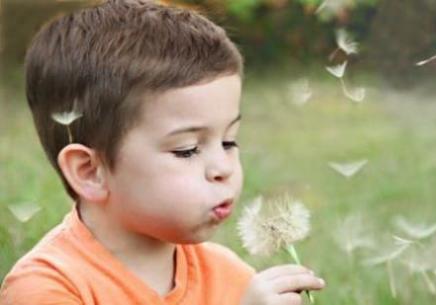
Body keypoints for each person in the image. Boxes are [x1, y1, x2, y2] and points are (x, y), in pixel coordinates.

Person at [0, 1, 325, 304]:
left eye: (228, 142)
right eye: (187, 150)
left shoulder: (228, 275)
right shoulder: (46, 287)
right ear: (90, 171)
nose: (223, 168)